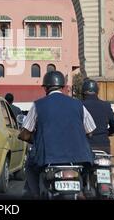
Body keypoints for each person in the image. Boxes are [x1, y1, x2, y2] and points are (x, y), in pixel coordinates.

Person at [18, 70, 96, 198]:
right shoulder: (78, 104)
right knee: (85, 175)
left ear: (46, 88)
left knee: (30, 167)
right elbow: (91, 130)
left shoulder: (38, 105)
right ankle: (81, 191)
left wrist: (37, 139)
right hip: (79, 158)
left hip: (48, 158)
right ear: (62, 87)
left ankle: (35, 194)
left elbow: (25, 134)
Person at [81, 79, 114, 153]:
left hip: (84, 146)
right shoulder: (106, 106)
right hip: (103, 146)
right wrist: (105, 132)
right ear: (97, 92)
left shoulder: (79, 105)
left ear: (83, 92)